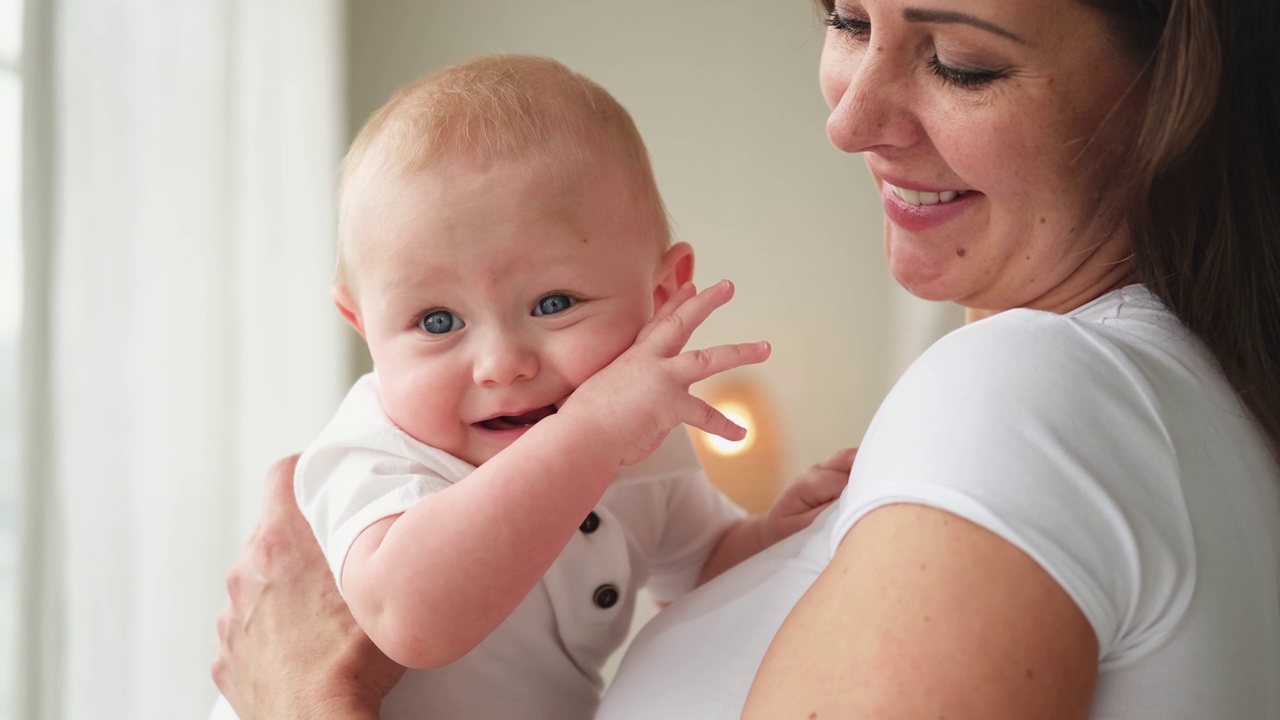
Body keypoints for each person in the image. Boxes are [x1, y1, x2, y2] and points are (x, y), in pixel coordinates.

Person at [212, 0, 1280, 717]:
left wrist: (296, 700)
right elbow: (414, 605)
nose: (847, 119)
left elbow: (689, 551)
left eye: (961, 61)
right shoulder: (379, 454)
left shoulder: (1040, 390)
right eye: (845, 17)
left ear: (1173, 80)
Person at [210, 54, 852, 720]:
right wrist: (590, 435)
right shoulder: (374, 456)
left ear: (660, 293)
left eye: (553, 303)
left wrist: (770, 536)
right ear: (364, 328)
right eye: (437, 321)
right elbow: (411, 618)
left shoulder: (635, 450)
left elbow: (700, 572)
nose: (501, 364)